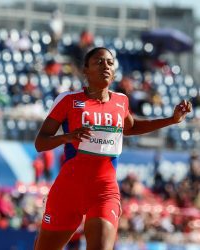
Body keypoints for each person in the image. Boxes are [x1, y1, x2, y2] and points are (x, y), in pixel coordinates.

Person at [33, 47, 192, 250]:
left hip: (104, 191)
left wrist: (171, 119)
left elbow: (131, 127)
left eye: (109, 62)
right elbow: (41, 142)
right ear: (86, 70)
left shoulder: (121, 101)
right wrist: (68, 137)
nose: (105, 66)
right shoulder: (69, 101)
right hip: (68, 190)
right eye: (99, 62)